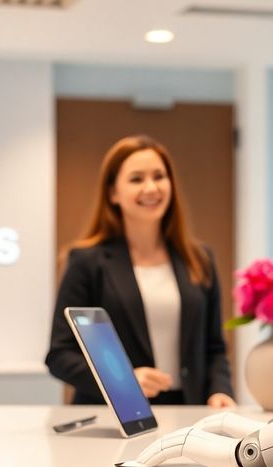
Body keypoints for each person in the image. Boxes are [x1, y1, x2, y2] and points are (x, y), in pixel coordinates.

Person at [45, 134, 235, 408]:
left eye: (159, 176)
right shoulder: (86, 261)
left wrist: (220, 391)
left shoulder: (199, 258)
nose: (151, 188)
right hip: (116, 416)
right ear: (113, 193)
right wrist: (120, 381)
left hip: (187, 413)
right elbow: (60, 355)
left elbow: (214, 347)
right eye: (136, 179)